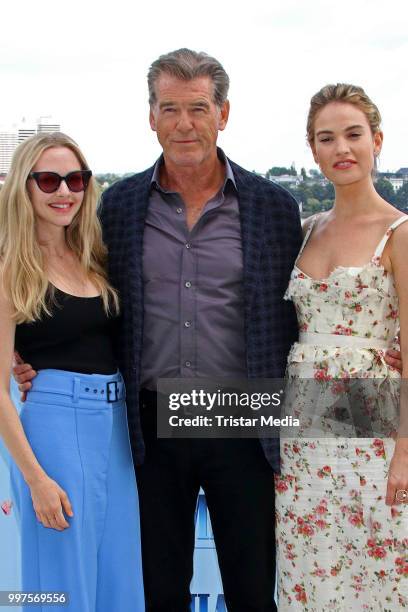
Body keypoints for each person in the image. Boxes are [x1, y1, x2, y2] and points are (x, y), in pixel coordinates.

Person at [13, 54, 403, 611]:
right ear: (150, 117)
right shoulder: (116, 208)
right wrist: (26, 355)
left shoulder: (273, 206)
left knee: (251, 591)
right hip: (147, 428)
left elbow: (310, 306)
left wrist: (381, 346)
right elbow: (77, 291)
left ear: (223, 114)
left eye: (198, 107)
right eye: (169, 108)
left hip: (243, 417)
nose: (184, 122)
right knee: (159, 590)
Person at [275, 84, 408, 610]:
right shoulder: (304, 230)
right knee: (310, 565)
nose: (341, 149)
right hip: (303, 431)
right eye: (326, 138)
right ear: (313, 151)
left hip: (376, 428)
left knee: (380, 566)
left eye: (353, 134)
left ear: (376, 140)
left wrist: (406, 452)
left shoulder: (400, 232)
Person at [0, 132, 144, 611]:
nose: (64, 191)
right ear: (25, 187)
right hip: (55, 428)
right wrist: (35, 479)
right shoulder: (10, 271)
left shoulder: (94, 258)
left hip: (116, 427)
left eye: (76, 179)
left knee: (120, 580)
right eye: (49, 180)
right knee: (60, 584)